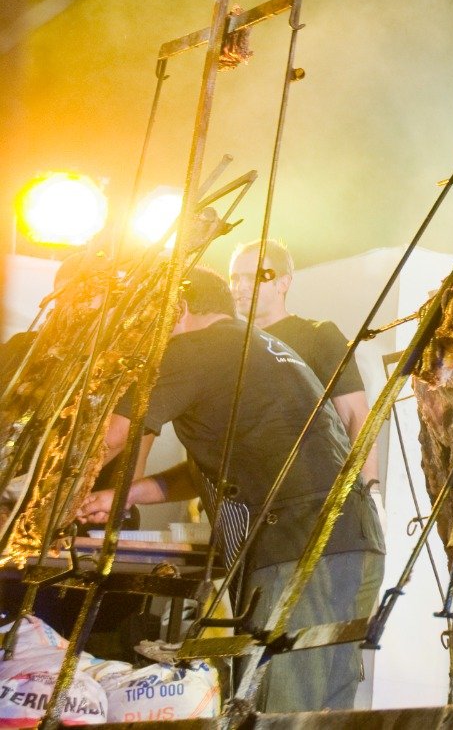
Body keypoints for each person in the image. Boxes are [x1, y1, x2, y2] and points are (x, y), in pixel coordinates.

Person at [79, 268, 384, 712]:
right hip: (346, 541)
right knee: (319, 711)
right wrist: (127, 495)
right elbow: (217, 464)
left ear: (179, 309)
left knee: (280, 712)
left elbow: (111, 437)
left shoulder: (191, 348)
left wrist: (47, 503)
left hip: (302, 548)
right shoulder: (252, 347)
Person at [229, 241, 377, 487]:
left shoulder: (318, 336)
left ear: (283, 283)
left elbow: (356, 415)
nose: (241, 286)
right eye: (235, 278)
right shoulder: (229, 347)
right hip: (244, 492)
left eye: (253, 277)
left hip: (308, 490)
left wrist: (369, 489)